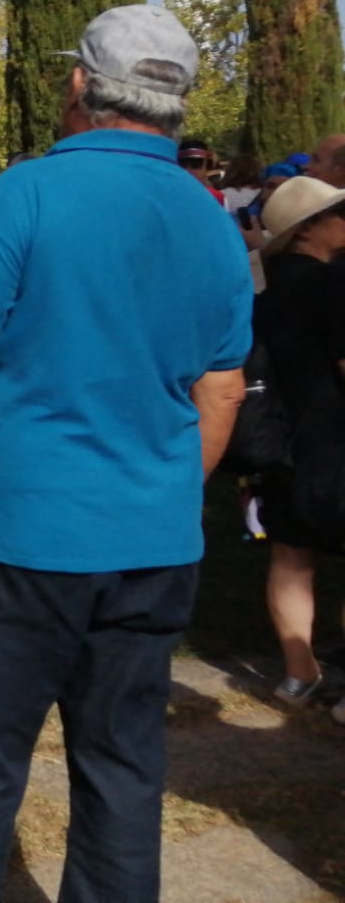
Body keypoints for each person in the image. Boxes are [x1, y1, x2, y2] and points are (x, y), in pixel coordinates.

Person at [0, 4, 250, 900]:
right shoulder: (211, 220)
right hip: (150, 544)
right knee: (123, 769)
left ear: (78, 85)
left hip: (18, 540)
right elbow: (221, 389)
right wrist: (159, 490)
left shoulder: (25, 194)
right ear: (176, 105)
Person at [249, 175, 345, 725]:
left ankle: (297, 671)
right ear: (309, 228)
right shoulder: (329, 286)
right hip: (333, 435)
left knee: (290, 554)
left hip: (277, 439)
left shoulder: (262, 286)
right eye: (338, 212)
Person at [178, 137, 223, 204]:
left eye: (195, 165)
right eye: (183, 165)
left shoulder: (216, 198)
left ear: (207, 167)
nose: (188, 171)